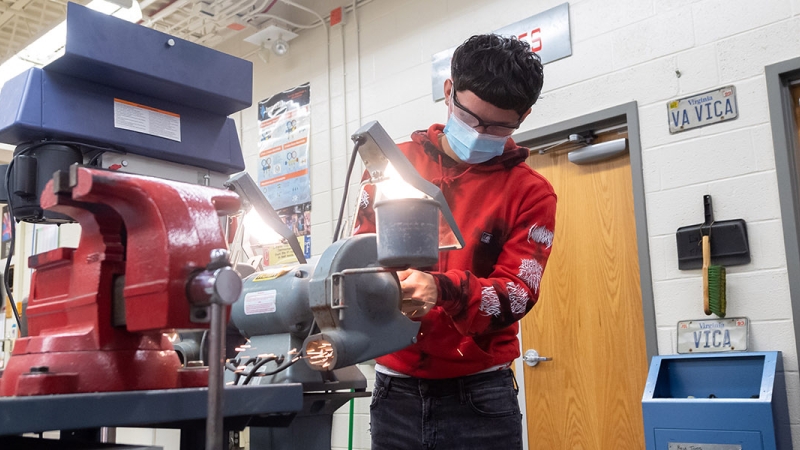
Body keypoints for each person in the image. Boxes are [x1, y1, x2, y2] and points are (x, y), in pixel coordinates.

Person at [353, 34, 556, 450]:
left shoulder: (530, 193)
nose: (480, 134)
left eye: (499, 126)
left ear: (525, 114)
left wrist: (443, 289)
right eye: (471, 118)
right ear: (449, 91)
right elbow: (360, 252)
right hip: (395, 392)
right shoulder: (395, 165)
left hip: (480, 397)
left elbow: (517, 295)